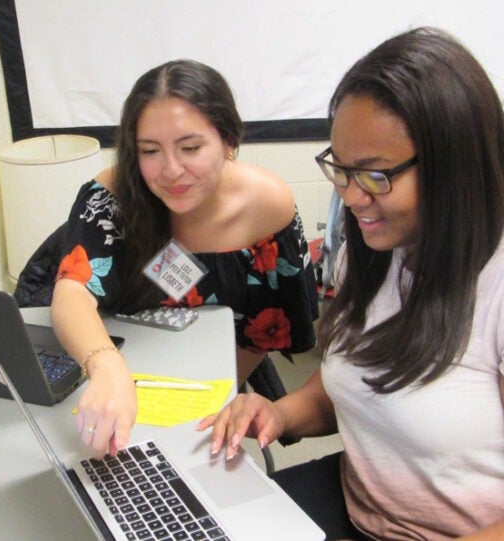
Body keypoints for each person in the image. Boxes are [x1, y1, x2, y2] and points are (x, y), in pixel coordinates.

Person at [199, 27, 504, 540]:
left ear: (456, 165)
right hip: (362, 511)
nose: (353, 197)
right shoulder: (379, 247)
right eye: (341, 169)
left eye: (376, 175)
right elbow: (356, 386)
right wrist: (277, 412)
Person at [36, 60, 319, 458]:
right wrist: (107, 367)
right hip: (106, 369)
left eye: (190, 148)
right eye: (150, 151)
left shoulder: (266, 206)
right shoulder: (113, 194)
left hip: (203, 382)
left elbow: (264, 331)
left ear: (229, 140)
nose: (171, 171)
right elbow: (70, 293)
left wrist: (207, 404)